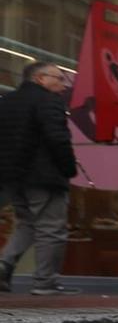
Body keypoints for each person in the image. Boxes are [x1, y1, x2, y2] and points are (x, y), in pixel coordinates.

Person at [0, 59, 80, 296]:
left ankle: (3, 266)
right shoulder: (48, 100)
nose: (64, 85)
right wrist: (68, 168)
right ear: (40, 78)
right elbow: (57, 137)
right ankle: (45, 282)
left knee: (27, 223)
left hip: (13, 177)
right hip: (44, 176)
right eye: (59, 78)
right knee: (51, 228)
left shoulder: (7, 101)